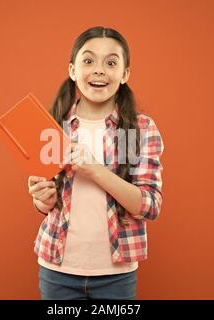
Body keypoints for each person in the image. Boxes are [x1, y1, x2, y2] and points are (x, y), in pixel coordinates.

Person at [28, 26, 164, 300]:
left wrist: (96, 171)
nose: (99, 70)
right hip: (56, 270)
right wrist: (41, 199)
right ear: (72, 70)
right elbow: (48, 204)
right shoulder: (55, 126)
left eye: (111, 62)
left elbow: (149, 206)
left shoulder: (135, 130)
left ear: (124, 74)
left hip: (116, 274)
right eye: (88, 61)